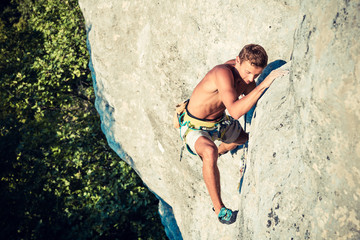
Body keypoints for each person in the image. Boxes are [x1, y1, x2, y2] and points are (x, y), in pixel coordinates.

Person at [179, 44, 288, 224]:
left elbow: (251, 98)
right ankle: (220, 210)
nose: (250, 78)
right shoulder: (222, 73)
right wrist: (265, 83)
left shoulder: (246, 77)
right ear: (237, 61)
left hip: (219, 123)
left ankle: (220, 152)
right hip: (194, 126)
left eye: (256, 75)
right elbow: (236, 111)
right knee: (209, 152)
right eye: (247, 72)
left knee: (247, 140)